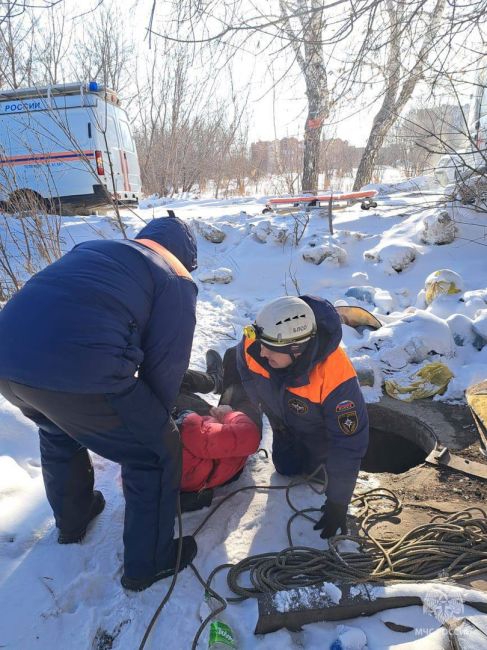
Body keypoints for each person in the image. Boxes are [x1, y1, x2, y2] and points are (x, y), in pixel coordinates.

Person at [0, 214, 199, 592]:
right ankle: (150, 562)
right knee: (156, 451)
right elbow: (165, 367)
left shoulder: (96, 249)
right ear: (185, 257)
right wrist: (154, 426)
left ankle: (73, 520)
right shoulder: (174, 276)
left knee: (57, 426)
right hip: (80, 368)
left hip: (8, 362)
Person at [235, 295, 369, 539]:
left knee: (320, 477)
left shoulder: (336, 378)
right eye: (261, 343)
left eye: (271, 349)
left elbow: (349, 443)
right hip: (284, 424)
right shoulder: (256, 343)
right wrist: (265, 408)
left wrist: (338, 503)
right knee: (285, 468)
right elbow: (244, 369)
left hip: (321, 434)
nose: (261, 352)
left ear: (296, 349)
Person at [174, 351, 261, 511]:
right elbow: (250, 435)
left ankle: (214, 381)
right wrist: (228, 414)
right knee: (238, 364)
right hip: (230, 449)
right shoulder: (190, 432)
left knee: (164, 378)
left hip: (200, 436)